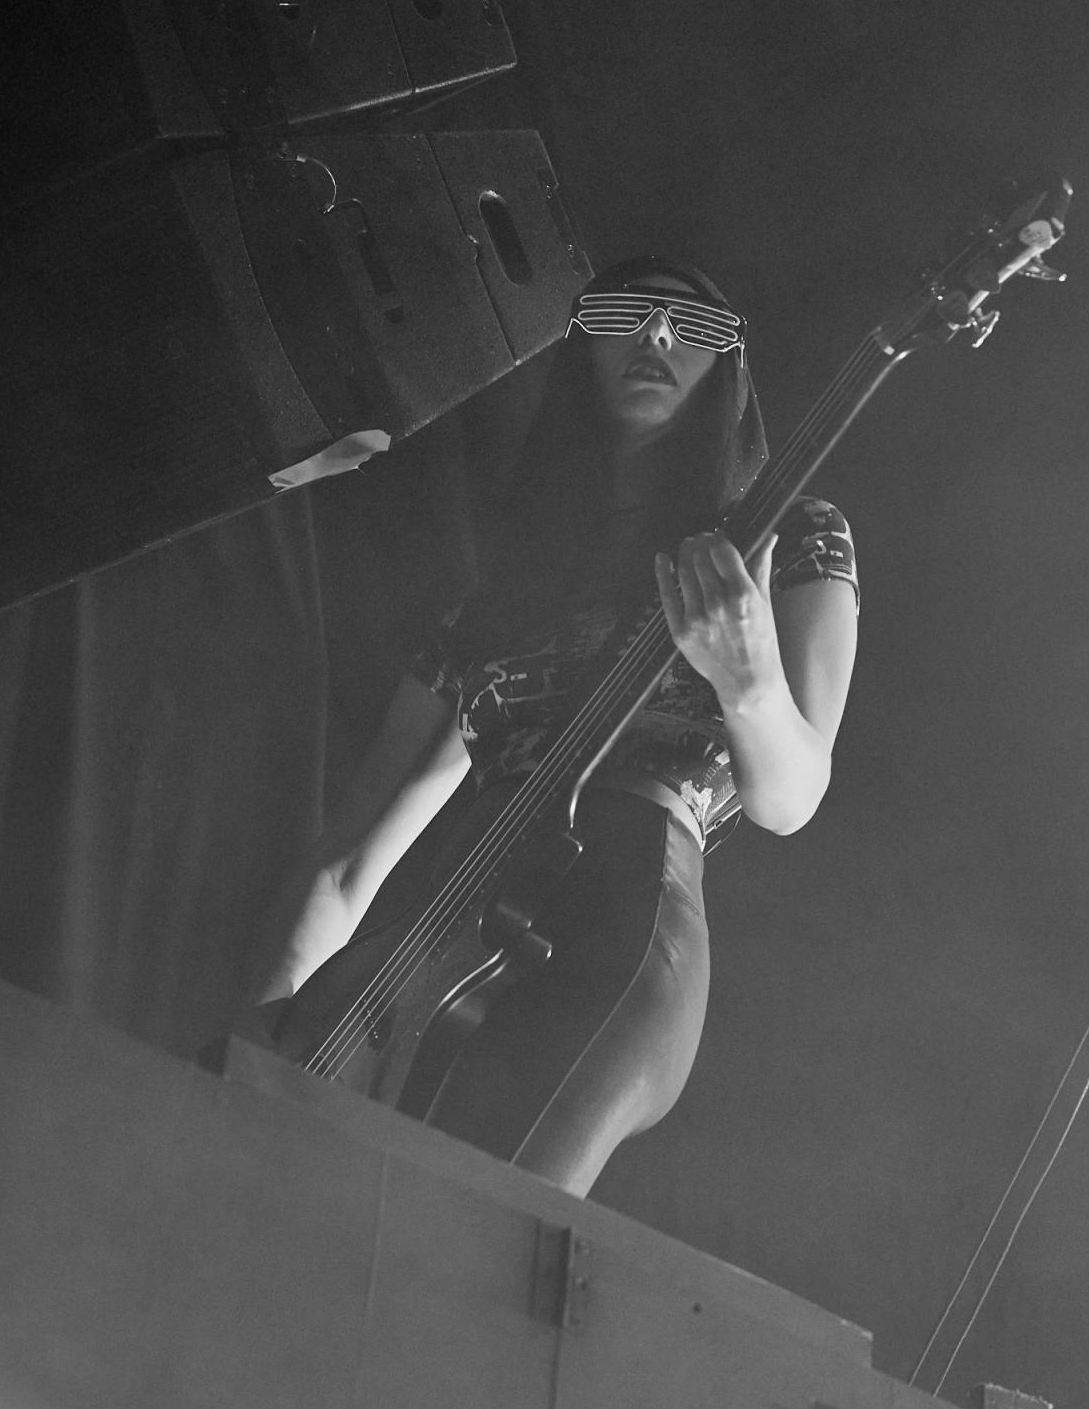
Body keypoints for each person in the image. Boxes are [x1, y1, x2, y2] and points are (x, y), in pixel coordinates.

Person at [255, 258, 860, 1197]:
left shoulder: (788, 534)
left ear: (729, 368)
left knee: (477, 1213)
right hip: (451, 917)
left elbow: (792, 799)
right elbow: (345, 866)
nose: (657, 336)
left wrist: (749, 680)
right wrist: (256, 1044)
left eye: (693, 327)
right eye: (625, 314)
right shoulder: (497, 598)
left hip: (628, 905)